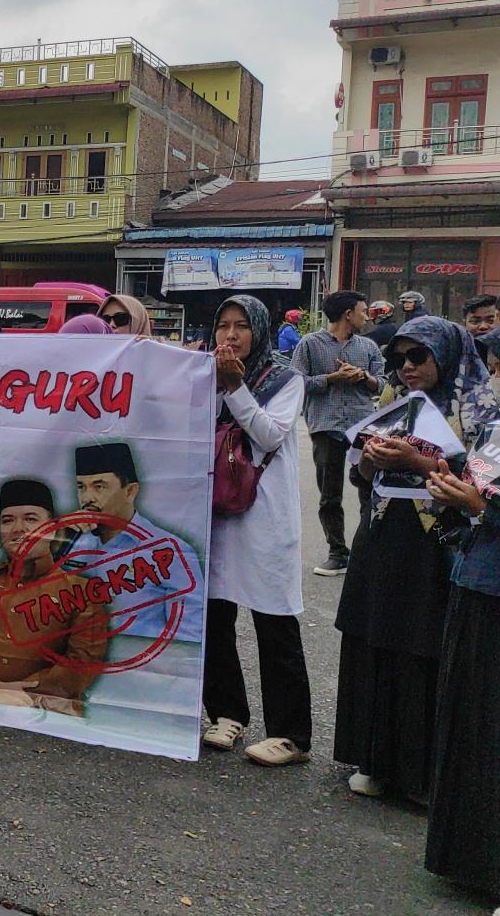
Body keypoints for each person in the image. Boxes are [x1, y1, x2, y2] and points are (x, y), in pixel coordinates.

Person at [336, 316, 493, 803]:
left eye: (417, 357)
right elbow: (361, 475)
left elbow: (489, 482)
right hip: (384, 535)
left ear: (444, 356)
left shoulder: (478, 407)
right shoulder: (392, 401)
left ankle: (422, 773)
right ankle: (375, 758)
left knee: (424, 650)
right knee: (375, 640)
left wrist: (419, 463)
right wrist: (371, 460)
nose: (406, 367)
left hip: (439, 545)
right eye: (398, 358)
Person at [422, 316, 500, 914]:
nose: (498, 381)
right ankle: (469, 860)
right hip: (478, 587)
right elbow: (481, 508)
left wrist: (479, 505)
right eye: (492, 370)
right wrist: (450, 492)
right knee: (474, 728)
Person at [201, 295, 311, 767]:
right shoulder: (201, 375)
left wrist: (235, 389)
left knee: (274, 619)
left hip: (264, 517)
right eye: (223, 325)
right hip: (215, 512)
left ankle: (291, 734)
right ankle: (226, 713)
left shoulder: (286, 380)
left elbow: (268, 434)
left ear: (260, 331)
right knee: (214, 616)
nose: (230, 335)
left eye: (241, 326)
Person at [0, 478, 110, 716]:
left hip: (52, 712)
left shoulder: (82, 592)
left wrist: (20, 694)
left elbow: (82, 661)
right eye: (7, 520)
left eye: (31, 519)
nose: (18, 528)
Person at [62, 442, 197, 643]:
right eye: (81, 487)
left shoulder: (168, 550)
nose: (87, 498)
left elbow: (189, 636)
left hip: (140, 668)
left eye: (99, 487)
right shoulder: (71, 543)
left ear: (130, 491)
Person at [294, 290, 386, 577]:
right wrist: (332, 379)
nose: (366, 315)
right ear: (348, 314)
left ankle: (366, 551)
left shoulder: (368, 347)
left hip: (363, 426)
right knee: (329, 494)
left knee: (369, 491)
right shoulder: (310, 344)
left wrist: (364, 377)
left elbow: (383, 385)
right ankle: (338, 553)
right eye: (362, 310)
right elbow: (295, 384)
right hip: (326, 426)